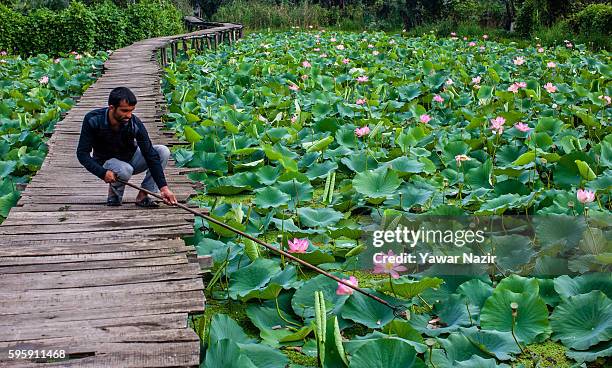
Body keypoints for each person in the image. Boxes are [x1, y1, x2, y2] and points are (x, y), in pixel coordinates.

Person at [76, 87, 177, 207]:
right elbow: (82, 154)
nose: (129, 115)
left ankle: (144, 195)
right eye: (124, 111)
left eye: (131, 111)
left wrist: (163, 188)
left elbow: (150, 154)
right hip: (106, 162)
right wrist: (102, 173)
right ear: (112, 107)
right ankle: (114, 196)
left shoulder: (134, 123)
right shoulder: (92, 120)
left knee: (162, 151)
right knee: (125, 170)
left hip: (130, 156)